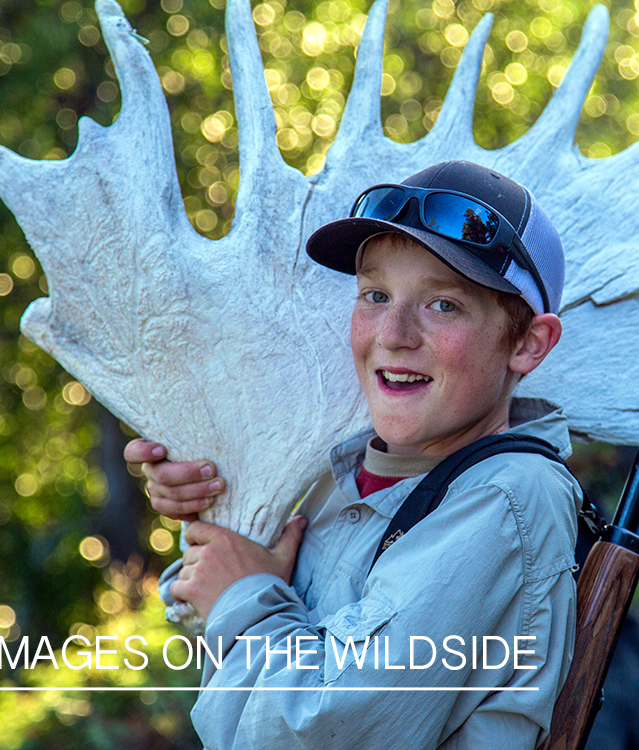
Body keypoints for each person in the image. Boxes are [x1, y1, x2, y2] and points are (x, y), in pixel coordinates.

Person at [125, 161, 581, 749]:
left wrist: (241, 595)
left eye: (443, 304)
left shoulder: (505, 500)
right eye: (375, 294)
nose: (393, 332)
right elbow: (240, 628)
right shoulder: (345, 475)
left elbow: (311, 730)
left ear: (527, 343)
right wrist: (218, 524)